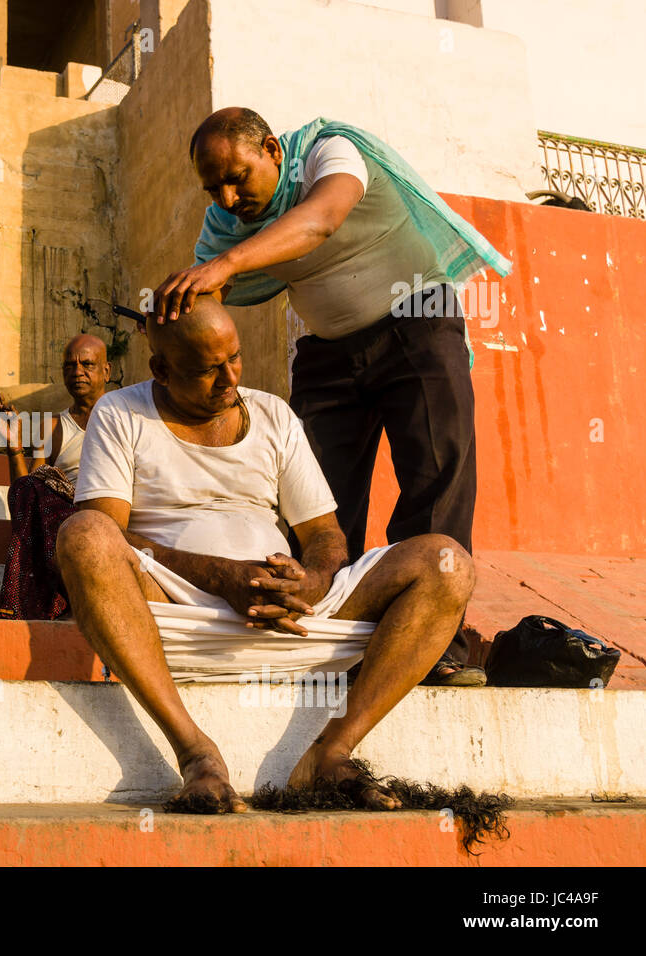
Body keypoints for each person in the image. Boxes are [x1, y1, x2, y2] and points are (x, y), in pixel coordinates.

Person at [56, 296, 475, 812]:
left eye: (234, 358)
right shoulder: (119, 412)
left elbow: (323, 530)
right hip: (174, 611)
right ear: (160, 370)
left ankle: (333, 750)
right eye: (207, 370)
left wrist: (315, 578)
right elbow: (113, 533)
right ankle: (197, 756)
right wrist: (219, 576)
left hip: (292, 615)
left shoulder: (273, 413)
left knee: (445, 561)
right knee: (83, 534)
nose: (229, 379)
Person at [153, 108, 510, 686]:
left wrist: (226, 264)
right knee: (316, 503)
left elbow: (320, 220)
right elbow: (203, 296)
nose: (226, 196)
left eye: (238, 177)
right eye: (212, 186)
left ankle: (431, 638)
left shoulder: (330, 151)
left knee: (435, 480)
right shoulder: (225, 228)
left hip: (417, 326)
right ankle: (327, 640)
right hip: (327, 355)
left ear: (272, 149)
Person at [0, 334, 110, 619]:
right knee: (30, 492)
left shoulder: (126, 417)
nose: (77, 371)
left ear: (106, 370)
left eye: (87, 364)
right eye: (69, 366)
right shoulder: (52, 425)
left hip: (110, 515)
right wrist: (15, 447)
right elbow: (27, 493)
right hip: (63, 519)